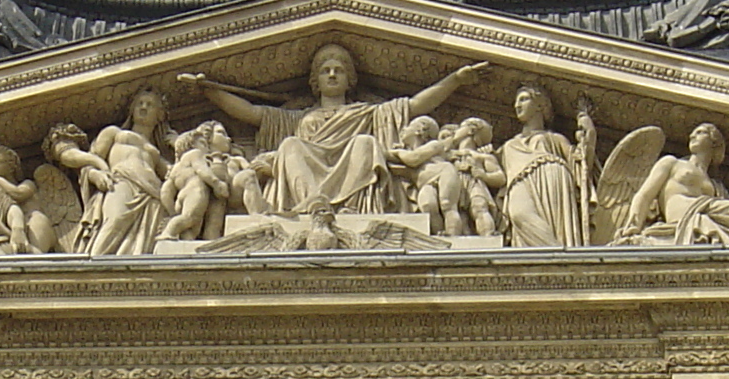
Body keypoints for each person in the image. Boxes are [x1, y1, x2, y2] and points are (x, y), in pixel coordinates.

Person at [180, 45, 487, 218]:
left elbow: (417, 105)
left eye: (338, 70)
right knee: (290, 146)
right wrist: (210, 92)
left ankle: (351, 206)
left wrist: (456, 80)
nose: (331, 74)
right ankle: (309, 206)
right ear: (315, 81)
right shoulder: (294, 119)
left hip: (353, 169)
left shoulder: (369, 113)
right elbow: (250, 113)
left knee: (365, 142)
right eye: (325, 71)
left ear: (349, 79)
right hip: (307, 170)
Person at [616, 124, 729, 246]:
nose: (692, 136)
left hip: (710, 211)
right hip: (688, 214)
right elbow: (645, 195)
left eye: (700, 132)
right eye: (693, 133)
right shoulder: (672, 163)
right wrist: (633, 225)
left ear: (715, 143)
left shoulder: (716, 185)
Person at [51, 90, 174, 255]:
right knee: (115, 219)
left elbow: (175, 173)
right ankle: (92, 269)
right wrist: (96, 174)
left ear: (160, 115)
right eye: (140, 103)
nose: (143, 107)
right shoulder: (114, 133)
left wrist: (178, 142)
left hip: (152, 193)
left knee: (144, 237)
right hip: (121, 181)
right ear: (131, 110)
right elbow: (90, 159)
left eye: (149, 104)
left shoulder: (156, 153)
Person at [496, 86, 588, 247]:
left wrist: (587, 131)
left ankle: (560, 258)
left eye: (523, 99)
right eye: (516, 101)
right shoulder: (508, 146)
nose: (517, 105)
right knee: (518, 213)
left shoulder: (554, 138)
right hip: (518, 182)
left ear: (540, 105)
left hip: (551, 176)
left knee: (552, 224)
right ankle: (559, 256)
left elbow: (581, 162)